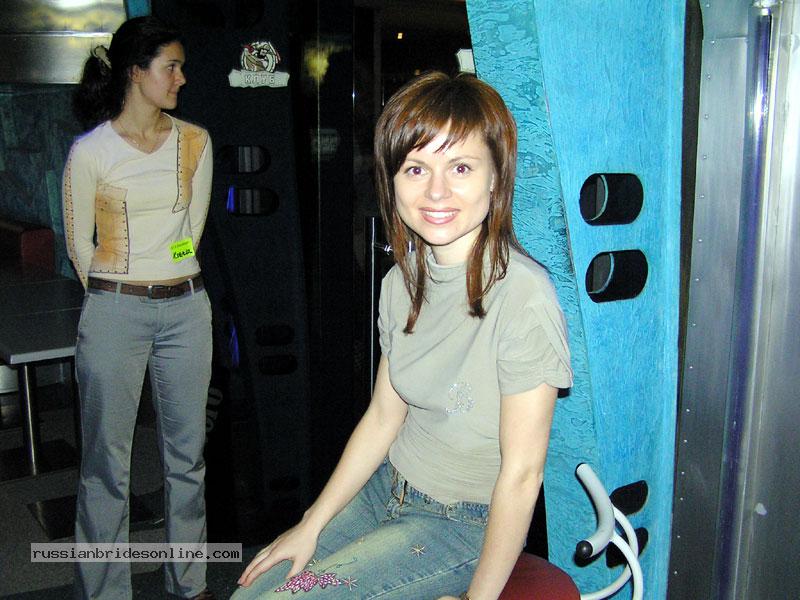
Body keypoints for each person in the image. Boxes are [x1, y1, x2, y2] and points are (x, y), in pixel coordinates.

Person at [234, 71, 572, 600]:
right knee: (254, 592)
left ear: (495, 178)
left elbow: (523, 474)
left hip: (461, 524)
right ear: (392, 179)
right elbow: (382, 418)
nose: (436, 191)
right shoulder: (401, 282)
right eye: (416, 168)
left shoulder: (523, 298)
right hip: (385, 489)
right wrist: (311, 523)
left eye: (460, 167)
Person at [63, 15, 214, 600]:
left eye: (181, 68)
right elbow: (80, 246)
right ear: (135, 72)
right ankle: (105, 591)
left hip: (186, 310)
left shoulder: (195, 141)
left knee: (187, 459)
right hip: (114, 311)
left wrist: (165, 268)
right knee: (106, 464)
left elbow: (190, 234)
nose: (180, 79)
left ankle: (188, 582)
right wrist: (118, 290)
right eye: (170, 67)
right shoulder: (91, 151)